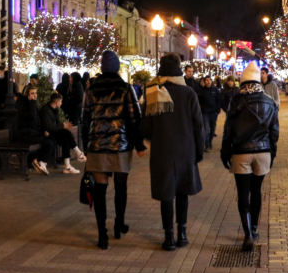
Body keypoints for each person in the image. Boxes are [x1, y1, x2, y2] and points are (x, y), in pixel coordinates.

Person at [139, 54, 205, 252]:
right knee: (182, 191)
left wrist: (157, 136)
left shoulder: (153, 93)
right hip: (185, 150)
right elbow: (198, 126)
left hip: (162, 151)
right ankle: (182, 234)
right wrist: (198, 152)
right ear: (179, 69)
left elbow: (145, 128)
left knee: (166, 193)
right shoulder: (189, 93)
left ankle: (169, 237)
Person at [84, 51, 146, 250]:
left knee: (100, 189)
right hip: (120, 144)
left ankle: (103, 234)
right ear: (117, 67)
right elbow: (134, 118)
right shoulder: (126, 88)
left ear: (102, 67)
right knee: (121, 186)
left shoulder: (91, 90)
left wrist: (87, 144)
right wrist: (139, 144)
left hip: (97, 146)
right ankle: (119, 224)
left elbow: (85, 120)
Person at [221, 61, 278, 252]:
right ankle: (254, 228)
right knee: (257, 190)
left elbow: (228, 129)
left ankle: (247, 234)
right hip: (263, 152)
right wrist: (272, 151)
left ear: (242, 82)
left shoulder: (236, 101)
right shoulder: (269, 101)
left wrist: (225, 151)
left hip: (241, 153)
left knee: (243, 193)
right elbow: (274, 131)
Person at [41, 92, 86, 173]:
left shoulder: (55, 110)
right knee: (66, 133)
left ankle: (67, 166)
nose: (61, 103)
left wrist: (63, 125)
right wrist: (63, 126)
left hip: (52, 132)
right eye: (61, 101)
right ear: (56, 102)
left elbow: (56, 124)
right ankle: (78, 154)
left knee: (66, 138)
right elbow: (48, 127)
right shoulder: (46, 110)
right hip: (46, 133)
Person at [16, 88, 56, 175]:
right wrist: (32, 103)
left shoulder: (33, 105)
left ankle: (41, 161)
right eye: (32, 93)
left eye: (35, 93)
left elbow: (37, 122)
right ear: (27, 95)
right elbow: (32, 117)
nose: (34, 95)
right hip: (26, 134)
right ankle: (39, 161)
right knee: (49, 142)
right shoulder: (24, 105)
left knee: (52, 140)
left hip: (34, 133)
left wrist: (43, 131)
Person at [197, 76, 222, 151]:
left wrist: (217, 110)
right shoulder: (202, 91)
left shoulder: (215, 90)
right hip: (205, 113)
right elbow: (199, 101)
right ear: (204, 82)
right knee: (206, 129)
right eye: (207, 80)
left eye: (209, 80)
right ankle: (206, 144)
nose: (208, 82)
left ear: (211, 81)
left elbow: (219, 100)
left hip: (213, 113)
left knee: (212, 129)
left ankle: (210, 142)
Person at [65, 72, 86, 145]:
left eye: (71, 77)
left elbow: (78, 98)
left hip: (75, 109)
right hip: (73, 108)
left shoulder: (78, 86)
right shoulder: (72, 86)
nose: (69, 79)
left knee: (74, 124)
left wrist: (71, 98)